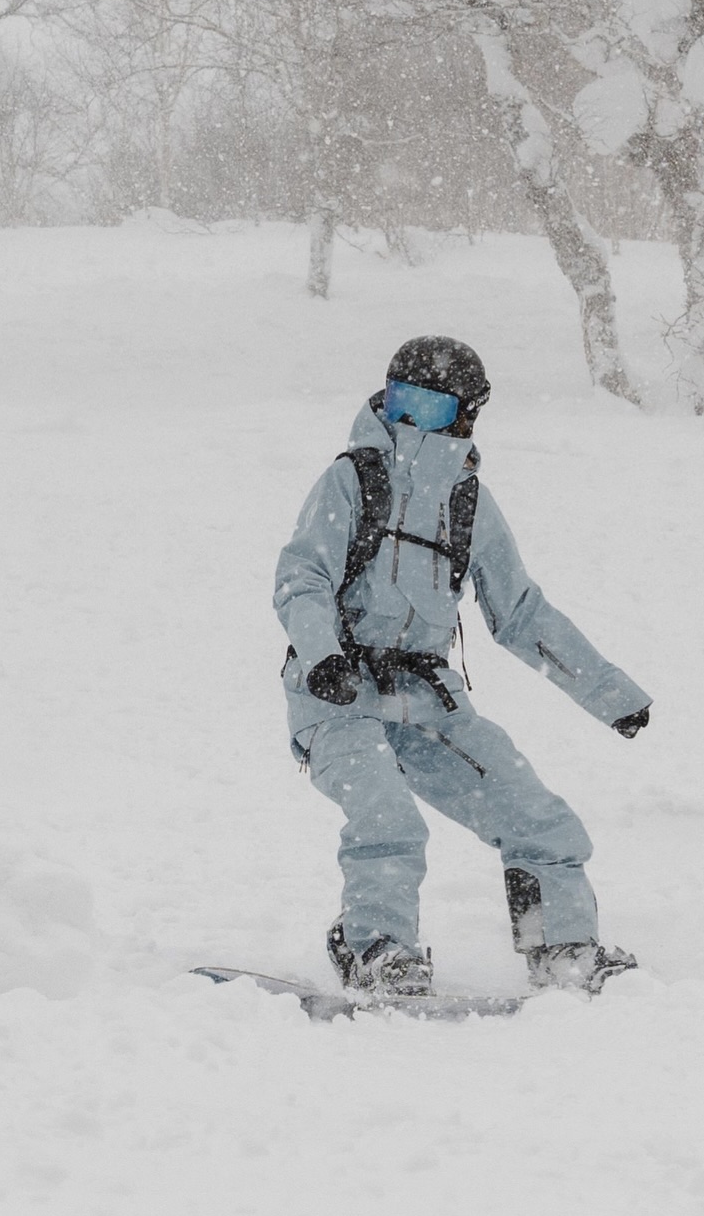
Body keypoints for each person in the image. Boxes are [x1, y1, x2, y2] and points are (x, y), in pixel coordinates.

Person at [275, 334, 652, 997]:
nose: (410, 421)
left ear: (466, 416)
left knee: (537, 816)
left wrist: (609, 693)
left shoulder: (468, 504)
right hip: (336, 693)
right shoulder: (350, 478)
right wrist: (322, 655)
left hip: (425, 695)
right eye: (401, 401)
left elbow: (522, 613)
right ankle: (377, 946)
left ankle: (558, 945)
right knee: (387, 818)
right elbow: (301, 576)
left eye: (431, 407)